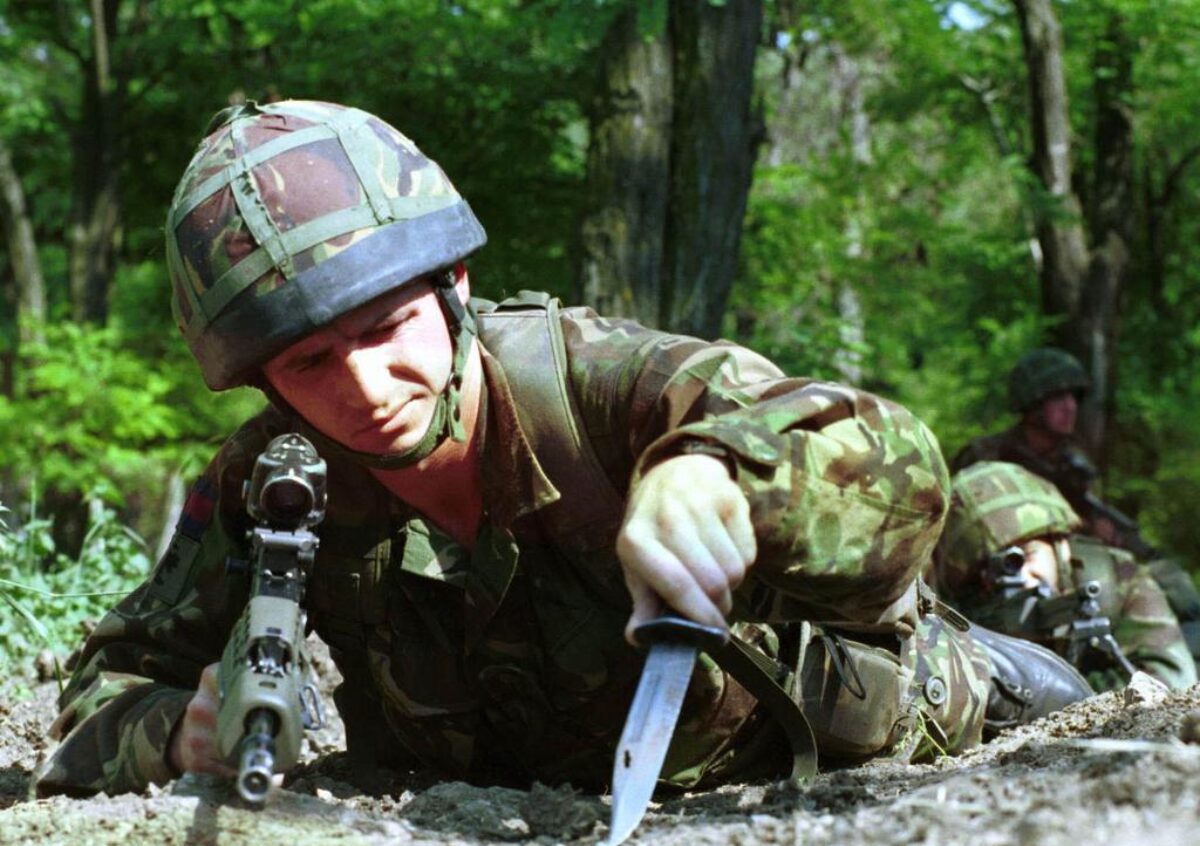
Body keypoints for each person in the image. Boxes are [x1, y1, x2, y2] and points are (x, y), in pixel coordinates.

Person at [35, 100, 1090, 798]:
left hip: (835, 736)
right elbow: (102, 687)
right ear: (261, 379)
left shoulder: (601, 385)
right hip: (552, 803)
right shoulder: (277, 486)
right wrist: (180, 731)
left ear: (451, 288)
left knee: (987, 690)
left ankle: (999, 660)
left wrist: (716, 474)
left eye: (381, 329)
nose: (362, 389)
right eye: (308, 363)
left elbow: (894, 464)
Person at [950, 348, 1200, 658]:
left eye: (1073, 398)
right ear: (1032, 402)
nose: (1070, 407)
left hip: (1073, 567)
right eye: (1058, 398)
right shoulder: (987, 456)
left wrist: (1103, 536)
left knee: (1175, 583)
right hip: (1008, 579)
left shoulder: (1072, 462)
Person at [934, 461, 1197, 693]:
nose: (1022, 577)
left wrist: (1054, 692)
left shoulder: (1116, 578)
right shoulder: (970, 613)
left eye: (1024, 556)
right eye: (989, 572)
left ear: (1059, 542)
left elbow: (1171, 684)